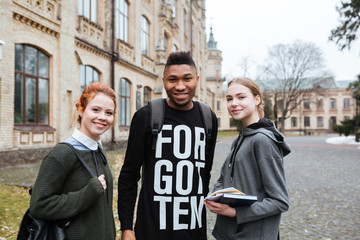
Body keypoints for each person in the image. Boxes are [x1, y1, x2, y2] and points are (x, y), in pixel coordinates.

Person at [118, 51, 218, 240]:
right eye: (173, 80)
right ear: (163, 81)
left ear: (197, 79)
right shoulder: (146, 116)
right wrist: (126, 227)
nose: (180, 86)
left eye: (187, 79)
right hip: (152, 230)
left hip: (193, 229)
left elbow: (205, 173)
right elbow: (129, 176)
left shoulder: (208, 119)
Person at [204, 77, 290, 240]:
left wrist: (235, 212)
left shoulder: (263, 140)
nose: (233, 103)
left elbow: (280, 201)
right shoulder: (240, 138)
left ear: (257, 99)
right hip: (230, 232)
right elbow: (224, 177)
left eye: (241, 97)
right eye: (229, 99)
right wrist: (216, 197)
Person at [29, 82, 117, 240]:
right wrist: (86, 194)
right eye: (95, 110)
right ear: (81, 110)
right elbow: (39, 206)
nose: (102, 117)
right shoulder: (62, 153)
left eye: (109, 113)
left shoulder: (97, 151)